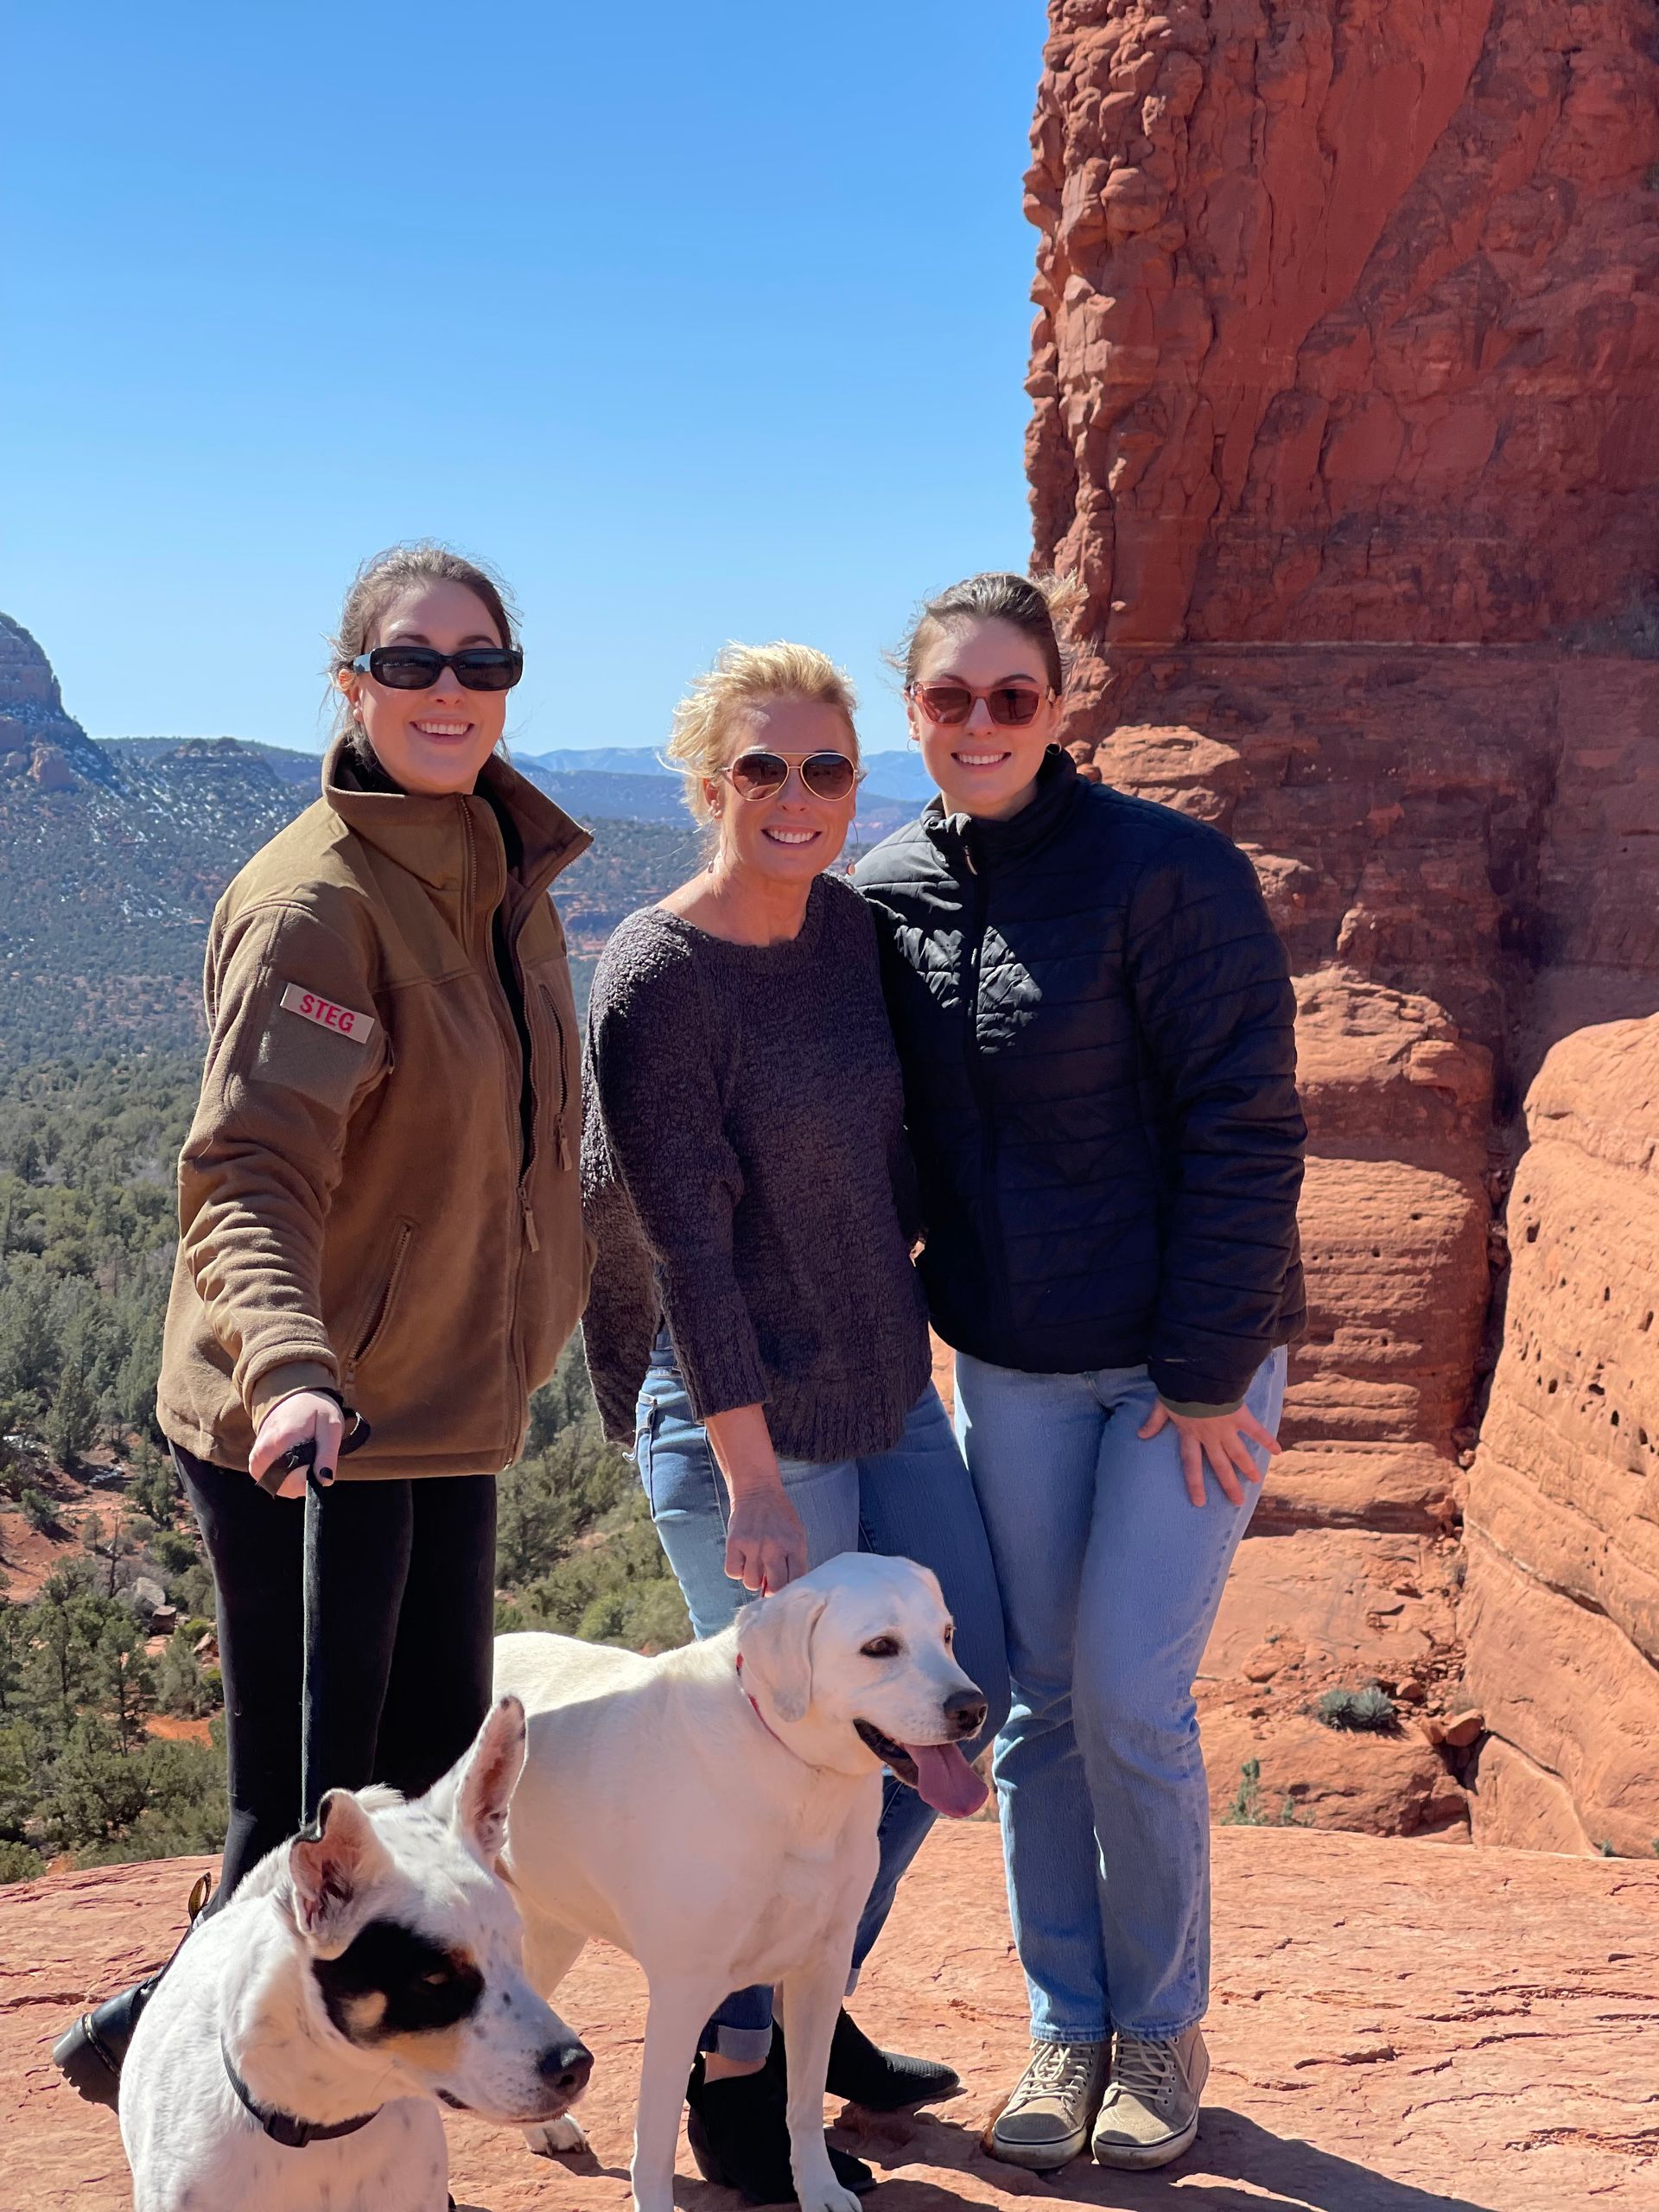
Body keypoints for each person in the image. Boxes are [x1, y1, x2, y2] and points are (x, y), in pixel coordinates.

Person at [54, 542, 593, 2107]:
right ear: (352, 684)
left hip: (446, 1405)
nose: (448, 690)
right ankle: (194, 2099)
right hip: (314, 1422)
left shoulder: (496, 874)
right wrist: (294, 1371)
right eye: (410, 663)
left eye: (480, 663)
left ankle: (307, 2096)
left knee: (416, 1794)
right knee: (310, 1824)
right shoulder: (317, 903)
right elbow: (248, 1173)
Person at [854, 572, 1306, 2175]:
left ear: (1061, 707)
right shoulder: (885, 891)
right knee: (1035, 1706)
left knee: (1125, 1693)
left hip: (1184, 1372)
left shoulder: (1168, 873)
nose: (979, 724)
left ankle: (1162, 2025)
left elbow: (1249, 1122)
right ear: (913, 712)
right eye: (949, 699)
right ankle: (1068, 2024)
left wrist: (1208, 1367)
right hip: (1016, 1367)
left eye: (1012, 697)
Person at [582, 640, 1011, 2206]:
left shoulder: (847, 933)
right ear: (711, 785)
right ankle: (739, 2073)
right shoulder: (657, 974)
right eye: (763, 768)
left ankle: (818, 1983)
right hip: (744, 1416)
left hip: (887, 1389)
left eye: (827, 768)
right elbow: (685, 1250)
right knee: (773, 1754)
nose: (799, 796)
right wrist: (752, 1481)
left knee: (965, 1683)